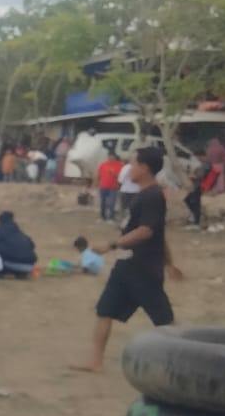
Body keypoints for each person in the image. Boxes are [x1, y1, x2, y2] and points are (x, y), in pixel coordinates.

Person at [73, 148, 183, 373]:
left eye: (133, 164)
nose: (129, 169)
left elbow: (147, 231)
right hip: (126, 266)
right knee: (104, 310)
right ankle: (96, 362)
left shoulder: (153, 196)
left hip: (144, 269)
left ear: (144, 168)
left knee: (164, 320)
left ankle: (184, 361)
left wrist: (111, 245)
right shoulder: (142, 195)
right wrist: (170, 263)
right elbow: (159, 234)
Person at [0, 212, 39, 279]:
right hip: (30, 266)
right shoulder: (19, 232)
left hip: (12, 265)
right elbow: (32, 245)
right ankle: (21, 273)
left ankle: (3, 272)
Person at [96, 148, 125, 222]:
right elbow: (99, 175)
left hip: (113, 187)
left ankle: (111, 218)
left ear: (115, 157)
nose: (110, 158)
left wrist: (114, 174)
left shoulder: (119, 165)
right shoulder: (103, 164)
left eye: (112, 156)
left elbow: (121, 177)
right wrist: (98, 183)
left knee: (112, 203)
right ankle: (102, 217)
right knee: (103, 203)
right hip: (103, 186)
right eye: (109, 156)